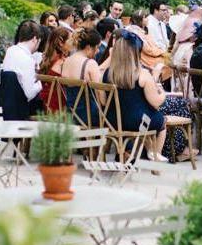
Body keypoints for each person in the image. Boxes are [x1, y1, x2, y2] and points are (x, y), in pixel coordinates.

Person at [104, 30, 168, 162]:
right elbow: (155, 102)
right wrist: (163, 94)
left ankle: (138, 152)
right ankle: (155, 155)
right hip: (139, 122)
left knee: (143, 115)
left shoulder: (107, 74)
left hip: (113, 121)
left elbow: (104, 102)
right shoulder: (142, 74)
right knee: (161, 121)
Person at [0, 21, 43, 120]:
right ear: (35, 39)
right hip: (21, 109)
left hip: (8, 106)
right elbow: (29, 94)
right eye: (39, 41)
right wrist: (40, 83)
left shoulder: (11, 50)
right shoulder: (27, 59)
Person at [60, 28, 102, 127]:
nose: (98, 51)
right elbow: (101, 97)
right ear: (89, 47)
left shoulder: (67, 61)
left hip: (70, 114)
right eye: (97, 47)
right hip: (88, 116)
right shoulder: (90, 63)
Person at [127, 9, 172, 87]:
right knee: (166, 64)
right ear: (140, 19)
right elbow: (147, 49)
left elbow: (152, 45)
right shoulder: (135, 32)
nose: (147, 19)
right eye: (145, 18)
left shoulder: (143, 30)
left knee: (169, 61)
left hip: (151, 54)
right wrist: (161, 52)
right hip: (144, 57)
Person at [38, 27, 74, 112]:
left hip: (46, 106)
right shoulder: (62, 63)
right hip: (59, 108)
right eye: (71, 40)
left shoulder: (47, 59)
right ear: (61, 43)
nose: (73, 43)